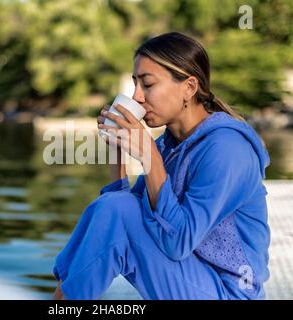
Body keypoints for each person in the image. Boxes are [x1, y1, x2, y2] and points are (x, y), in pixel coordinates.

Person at [52, 31, 270, 300]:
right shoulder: (170, 143)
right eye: (135, 84)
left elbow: (178, 241)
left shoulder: (227, 148)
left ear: (189, 88)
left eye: (148, 84)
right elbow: (119, 213)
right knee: (113, 208)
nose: (137, 97)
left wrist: (149, 155)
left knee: (117, 211)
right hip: (194, 278)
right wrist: (118, 152)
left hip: (230, 292)